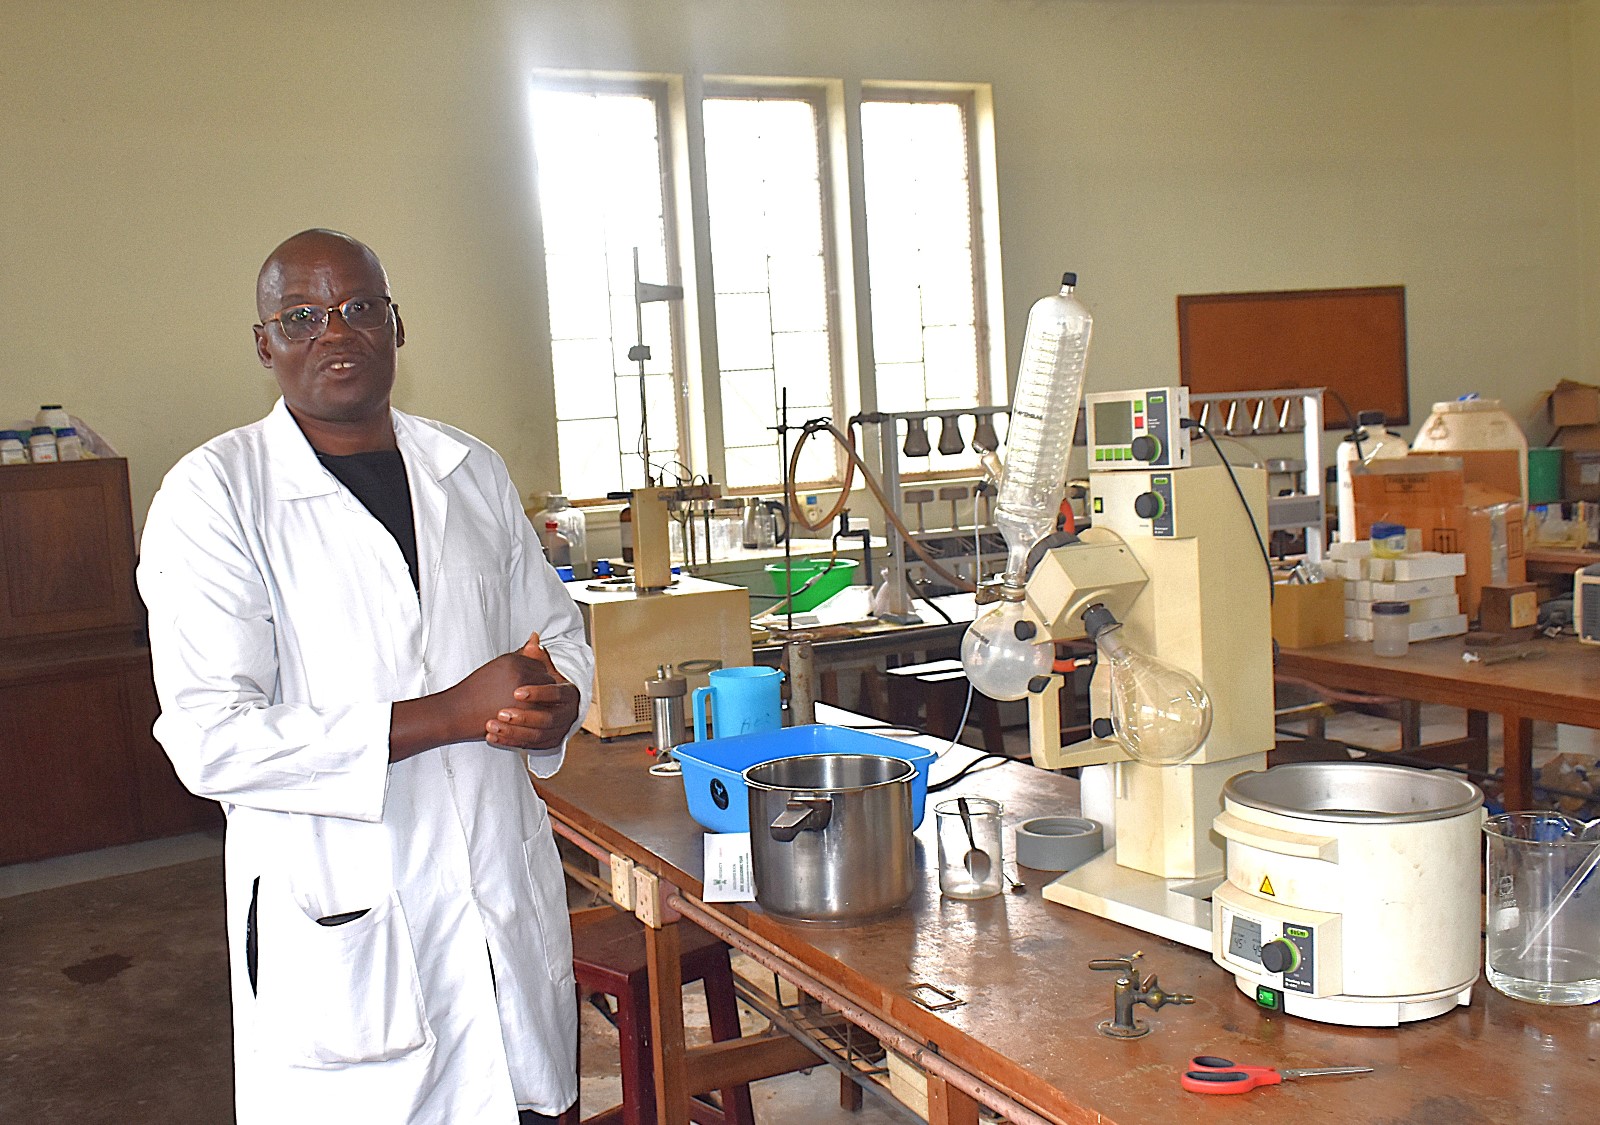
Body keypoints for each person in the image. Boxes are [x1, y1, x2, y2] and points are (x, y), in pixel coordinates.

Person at [137, 229, 593, 1124]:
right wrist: (449, 714)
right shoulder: (214, 495)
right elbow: (212, 738)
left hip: (501, 900)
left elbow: (556, 634)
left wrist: (557, 703)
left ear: (396, 326)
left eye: (359, 309)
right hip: (344, 929)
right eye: (301, 315)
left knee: (530, 1099)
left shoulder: (470, 470)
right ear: (264, 343)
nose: (334, 332)